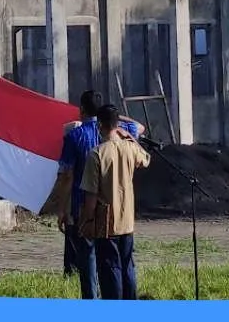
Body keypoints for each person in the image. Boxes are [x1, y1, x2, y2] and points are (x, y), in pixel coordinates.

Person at [56, 90, 143, 299]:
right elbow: (140, 127)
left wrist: (62, 210)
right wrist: (116, 116)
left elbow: (67, 175)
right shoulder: (120, 131)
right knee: (121, 261)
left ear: (82, 110)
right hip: (117, 210)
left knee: (89, 262)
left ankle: (93, 303)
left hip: (84, 205)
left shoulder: (75, 136)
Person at [79, 104, 151, 301]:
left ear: (99, 125)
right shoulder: (130, 148)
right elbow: (145, 159)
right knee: (127, 266)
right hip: (127, 220)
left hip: (106, 223)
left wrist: (86, 221)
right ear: (117, 124)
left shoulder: (96, 154)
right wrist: (128, 137)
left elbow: (91, 196)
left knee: (110, 269)